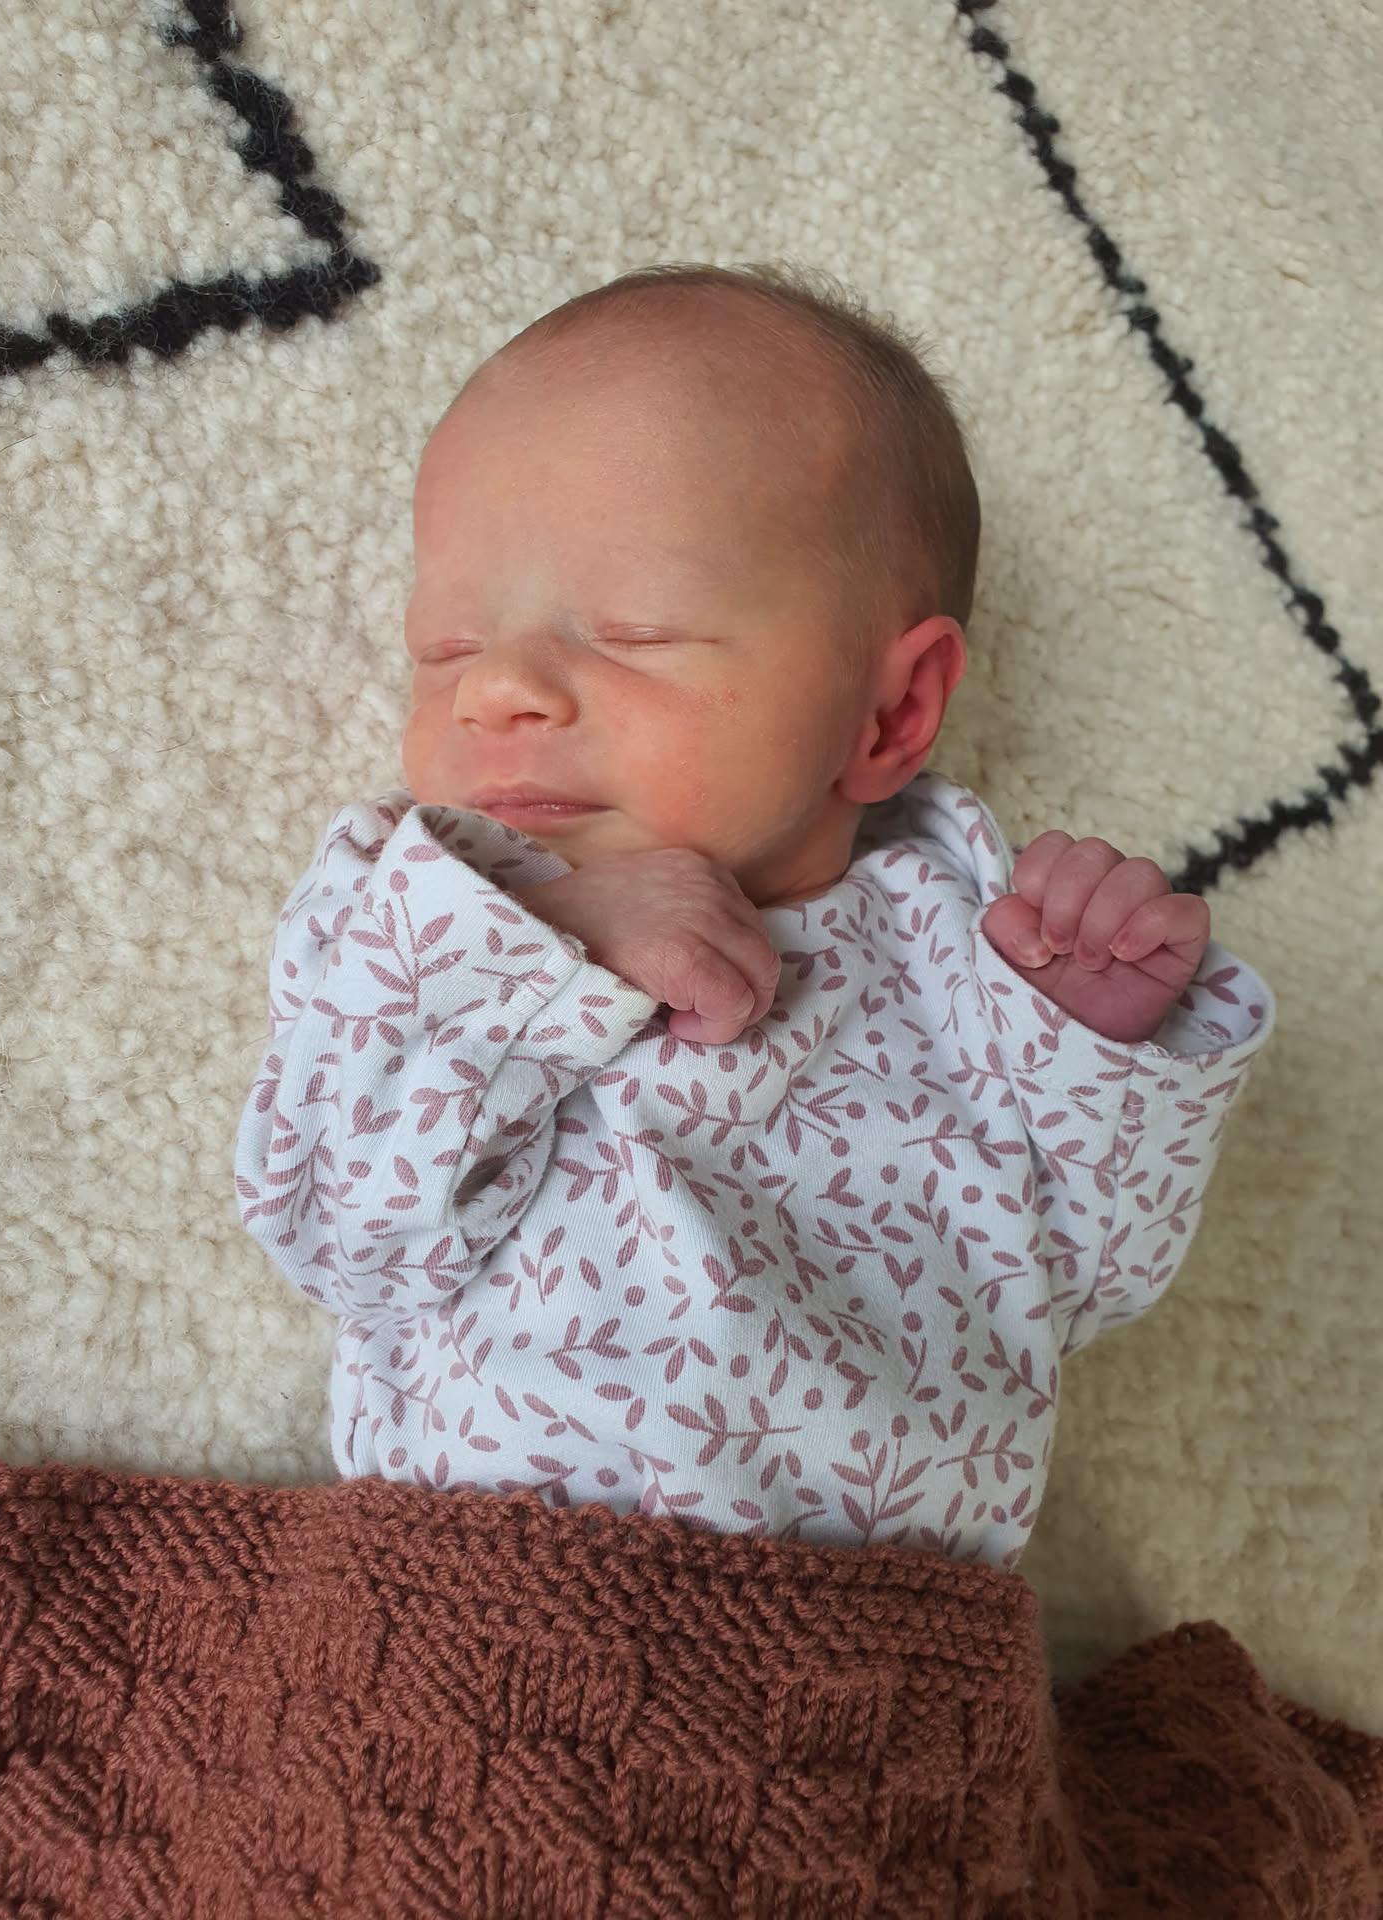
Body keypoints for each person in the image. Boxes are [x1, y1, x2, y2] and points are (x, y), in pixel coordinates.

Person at [235, 264, 1273, 1566]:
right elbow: (337, 1230)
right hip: (484, 1600)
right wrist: (554, 945)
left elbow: (1090, 1276)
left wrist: (1094, 1046)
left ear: (891, 712)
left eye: (633, 632)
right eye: (445, 647)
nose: (496, 689)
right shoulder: (424, 911)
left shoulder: (972, 955)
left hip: (882, 1645)